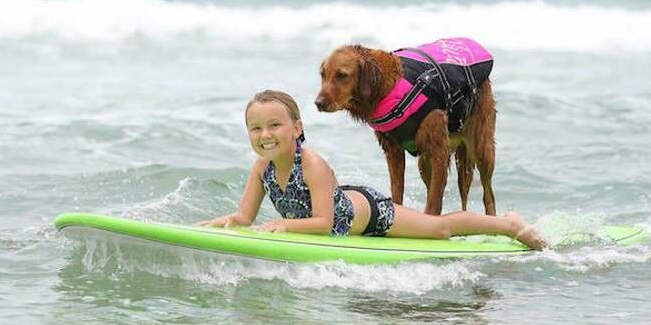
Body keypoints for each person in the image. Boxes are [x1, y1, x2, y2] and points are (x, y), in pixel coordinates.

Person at [198, 90, 547, 250]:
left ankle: (508, 225)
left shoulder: (313, 166)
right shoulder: (262, 169)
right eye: (256, 129)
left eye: (274, 125)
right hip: (342, 211)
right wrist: (210, 227)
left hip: (367, 214)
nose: (265, 135)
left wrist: (282, 225)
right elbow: (243, 218)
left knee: (439, 230)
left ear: (297, 129)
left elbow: (322, 223)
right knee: (436, 229)